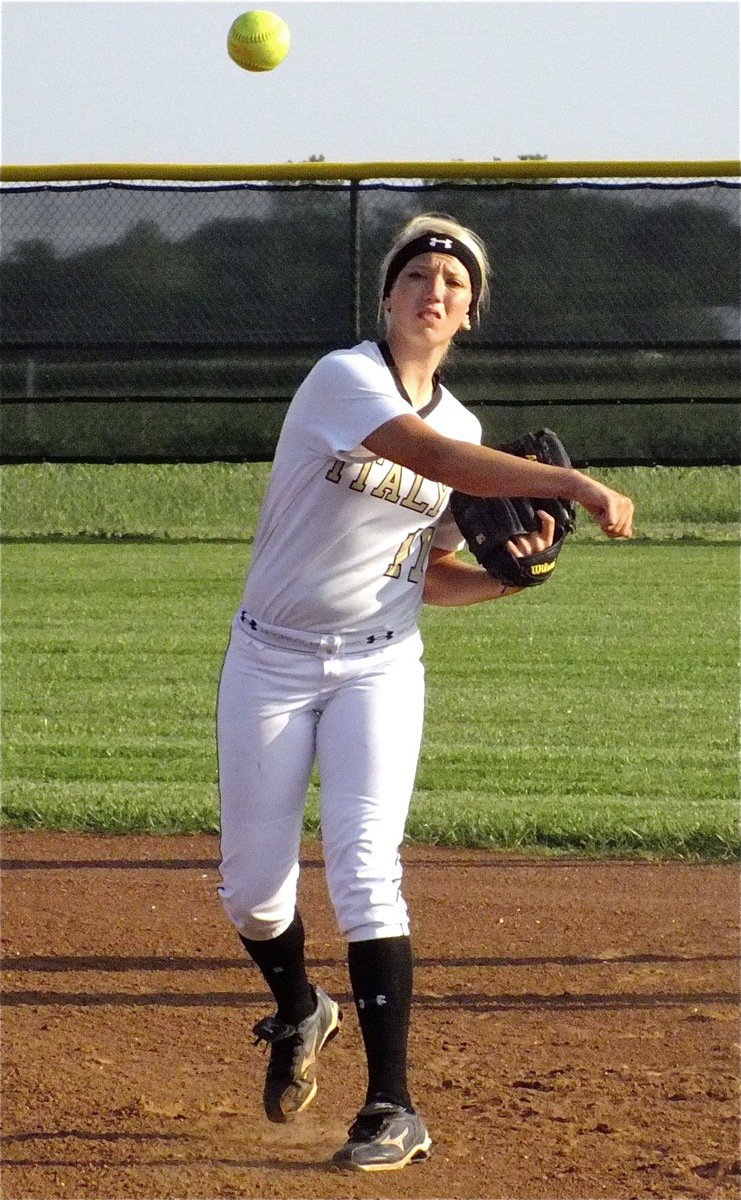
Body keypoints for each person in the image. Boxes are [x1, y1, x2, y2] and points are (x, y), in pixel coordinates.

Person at [216, 212, 633, 1172]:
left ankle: (391, 1105)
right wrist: (568, 482)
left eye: (452, 282)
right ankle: (298, 1008)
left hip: (378, 664)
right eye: (417, 274)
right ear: (389, 298)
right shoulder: (343, 379)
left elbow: (426, 572)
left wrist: (509, 579)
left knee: (366, 869)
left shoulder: (468, 427)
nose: (433, 288)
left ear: (467, 316)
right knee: (252, 892)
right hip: (270, 659)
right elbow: (433, 463)